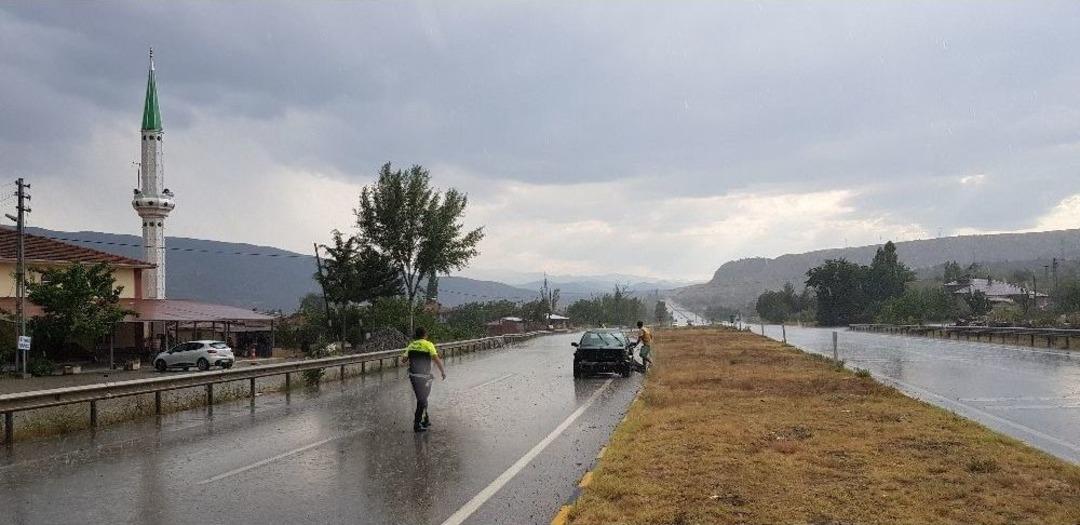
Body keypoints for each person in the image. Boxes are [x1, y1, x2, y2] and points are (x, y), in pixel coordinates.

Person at [402, 326, 446, 432]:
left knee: (422, 398)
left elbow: (403, 360)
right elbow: (436, 359)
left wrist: (413, 359)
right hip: (425, 377)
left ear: (416, 335)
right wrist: (443, 372)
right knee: (422, 400)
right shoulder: (428, 344)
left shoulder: (411, 345)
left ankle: (425, 419)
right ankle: (417, 424)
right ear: (425, 335)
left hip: (413, 376)